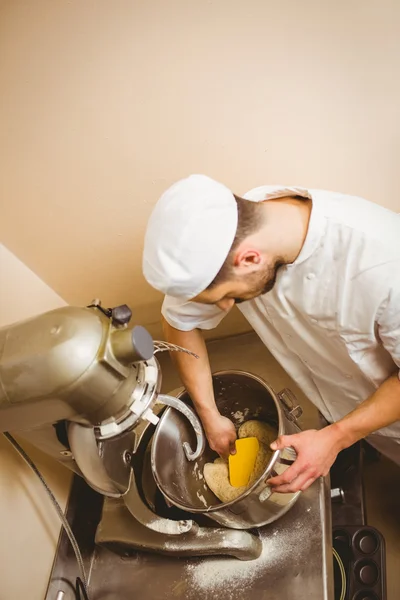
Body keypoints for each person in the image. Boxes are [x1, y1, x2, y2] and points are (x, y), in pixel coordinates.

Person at [142, 174, 400, 494]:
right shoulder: (238, 231)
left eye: (231, 297)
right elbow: (179, 320)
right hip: (350, 407)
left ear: (249, 259)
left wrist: (337, 437)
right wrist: (209, 414)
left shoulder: (386, 267)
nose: (223, 308)